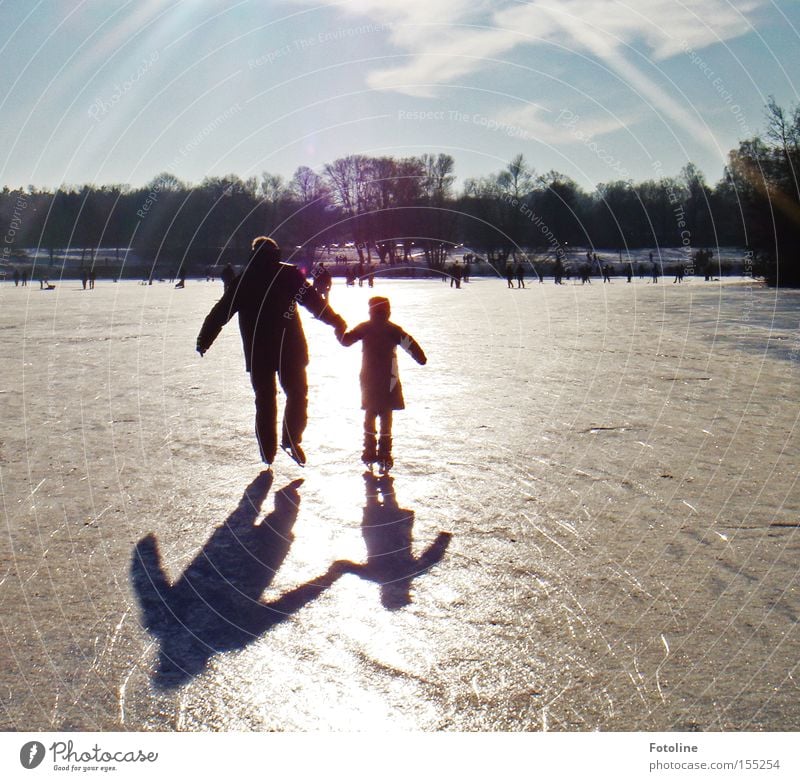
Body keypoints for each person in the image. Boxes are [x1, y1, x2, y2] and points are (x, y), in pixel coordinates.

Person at [196, 236, 346, 467]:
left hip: (259, 352)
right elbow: (315, 303)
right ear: (276, 252)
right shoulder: (288, 275)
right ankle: (291, 438)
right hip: (291, 348)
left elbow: (220, 312)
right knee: (297, 395)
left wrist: (204, 339)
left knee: (265, 401)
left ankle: (268, 450)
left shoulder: (245, 280)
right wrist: (336, 321)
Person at [339, 296, 426, 473]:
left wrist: (339, 326)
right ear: (387, 311)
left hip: (369, 378)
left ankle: (369, 449)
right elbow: (410, 345)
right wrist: (420, 358)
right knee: (386, 414)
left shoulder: (365, 327)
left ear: (371, 310)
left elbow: (346, 341)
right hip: (389, 379)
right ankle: (385, 452)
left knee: (370, 413)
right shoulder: (393, 329)